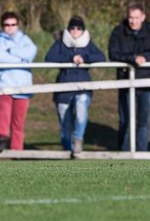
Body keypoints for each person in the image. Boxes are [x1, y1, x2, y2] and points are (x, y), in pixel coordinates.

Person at [45, 15, 106, 156]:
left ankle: (78, 139)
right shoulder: (60, 43)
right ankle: (67, 152)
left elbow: (101, 57)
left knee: (81, 109)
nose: (75, 31)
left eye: (78, 28)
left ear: (83, 30)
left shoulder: (88, 43)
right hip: (63, 88)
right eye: (72, 28)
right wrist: (70, 59)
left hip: (83, 86)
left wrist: (84, 59)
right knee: (65, 125)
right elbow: (49, 58)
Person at [108, 3, 150, 152]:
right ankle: (125, 155)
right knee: (126, 120)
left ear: (143, 17)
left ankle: (142, 154)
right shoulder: (118, 32)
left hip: (147, 81)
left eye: (137, 18)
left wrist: (145, 57)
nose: (133, 21)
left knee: (143, 121)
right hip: (126, 81)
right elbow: (113, 54)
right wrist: (132, 59)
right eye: (131, 17)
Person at [0, 11, 37, 153]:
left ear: (18, 25)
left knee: (18, 121)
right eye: (6, 25)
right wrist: (20, 60)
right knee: (4, 110)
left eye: (13, 24)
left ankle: (17, 151)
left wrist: (11, 50)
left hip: (22, 85)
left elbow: (31, 53)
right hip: (3, 83)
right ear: (2, 26)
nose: (10, 27)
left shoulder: (25, 39)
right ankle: (2, 137)